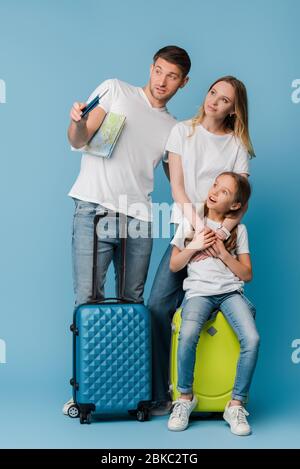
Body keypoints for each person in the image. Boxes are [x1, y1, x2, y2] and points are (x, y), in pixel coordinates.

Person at [63, 45, 191, 415]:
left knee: (132, 306)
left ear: (183, 83)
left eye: (172, 76)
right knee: (88, 300)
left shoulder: (174, 128)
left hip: (139, 216)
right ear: (151, 68)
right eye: (159, 70)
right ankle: (84, 393)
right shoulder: (116, 90)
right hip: (94, 206)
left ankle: (130, 392)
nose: (162, 81)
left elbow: (178, 181)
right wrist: (75, 120)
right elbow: (78, 138)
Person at [148, 76, 255, 413]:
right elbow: (177, 190)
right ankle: (162, 393)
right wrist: (199, 232)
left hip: (220, 237)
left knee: (228, 310)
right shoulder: (182, 132)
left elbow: (242, 199)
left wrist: (221, 233)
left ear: (234, 110)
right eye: (212, 93)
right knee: (157, 307)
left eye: (224, 99)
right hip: (189, 233)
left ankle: (225, 396)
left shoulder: (237, 146)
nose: (214, 101)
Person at [167, 172, 260, 435]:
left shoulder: (238, 230)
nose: (215, 191)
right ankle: (184, 398)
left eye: (224, 192)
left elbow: (247, 275)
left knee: (251, 339)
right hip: (198, 293)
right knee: (187, 334)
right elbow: (174, 265)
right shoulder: (190, 224)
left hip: (231, 293)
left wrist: (222, 254)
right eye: (215, 185)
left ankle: (236, 404)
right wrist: (195, 245)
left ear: (235, 206)